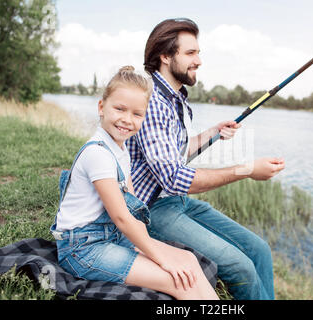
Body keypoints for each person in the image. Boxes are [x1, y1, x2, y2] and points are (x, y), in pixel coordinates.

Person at [126, 18, 285, 300]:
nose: (198, 61)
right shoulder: (151, 101)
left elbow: (173, 153)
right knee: (242, 267)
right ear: (165, 56)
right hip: (150, 210)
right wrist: (247, 170)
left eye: (198, 53)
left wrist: (212, 134)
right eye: (190, 53)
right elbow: (174, 178)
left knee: (259, 250)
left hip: (175, 201)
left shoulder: (175, 98)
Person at [50, 66, 219, 300]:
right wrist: (161, 259)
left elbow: (133, 208)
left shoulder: (121, 150)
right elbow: (121, 218)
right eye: (120, 109)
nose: (127, 120)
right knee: (179, 280)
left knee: (188, 261)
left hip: (111, 237)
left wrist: (153, 249)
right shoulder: (97, 154)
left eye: (137, 114)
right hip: (83, 249)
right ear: (101, 107)